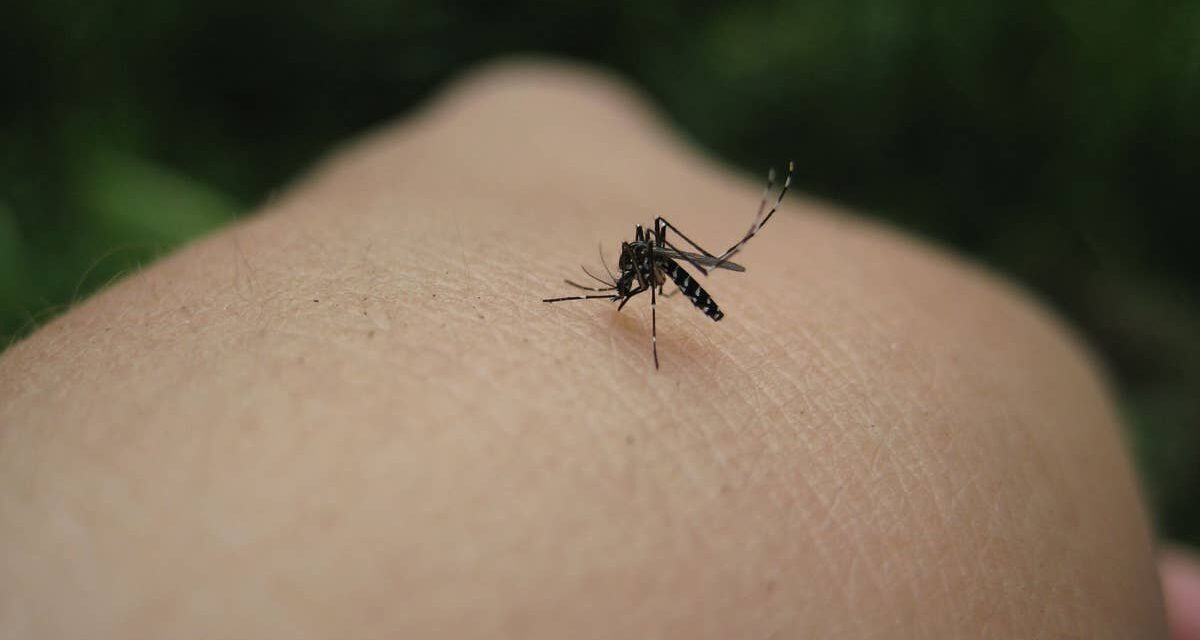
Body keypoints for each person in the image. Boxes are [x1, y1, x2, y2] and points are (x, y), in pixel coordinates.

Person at [0, 60, 1178, 638]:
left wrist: (660, 293)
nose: (626, 292)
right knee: (550, 120)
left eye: (629, 288)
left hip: (672, 261)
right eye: (628, 288)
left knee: (543, 121)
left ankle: (667, 224)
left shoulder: (640, 272)